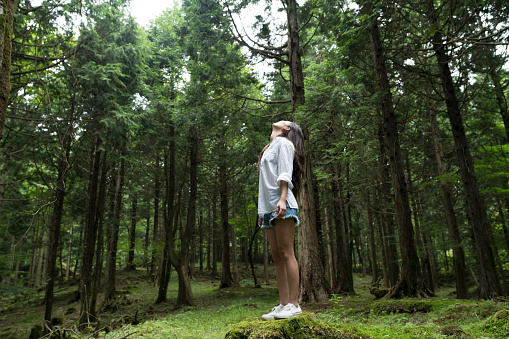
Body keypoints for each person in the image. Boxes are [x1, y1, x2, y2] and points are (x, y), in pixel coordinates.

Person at [257, 120, 305, 320]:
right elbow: (264, 183)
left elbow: (285, 172)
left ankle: (294, 305)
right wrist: (261, 212)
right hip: (268, 208)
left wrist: (283, 198)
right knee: (277, 257)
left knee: (286, 253)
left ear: (286, 129)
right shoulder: (269, 148)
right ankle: (283, 303)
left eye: (285, 121)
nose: (281, 119)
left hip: (282, 203)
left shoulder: (284, 143)